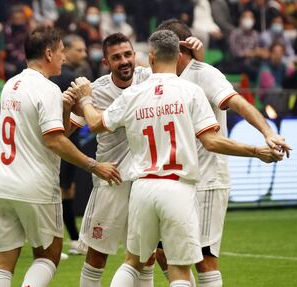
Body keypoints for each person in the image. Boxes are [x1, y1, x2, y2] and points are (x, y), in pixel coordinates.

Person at [70, 29, 284, 287]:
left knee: (133, 261)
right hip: (177, 187)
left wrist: (84, 100)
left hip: (142, 187)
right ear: (180, 56)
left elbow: (94, 123)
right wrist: (256, 151)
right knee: (180, 270)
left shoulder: (135, 93)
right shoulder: (191, 91)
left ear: (149, 58)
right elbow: (211, 141)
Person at [155, 19, 291, 287]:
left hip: (208, 179)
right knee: (161, 252)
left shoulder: (205, 73)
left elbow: (239, 103)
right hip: (177, 180)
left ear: (179, 49)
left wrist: (268, 133)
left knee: (204, 259)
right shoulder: (165, 80)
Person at [0, 26, 121, 287]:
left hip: (2, 184)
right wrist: (94, 165)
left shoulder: (10, 85)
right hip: (34, 186)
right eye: (61, 52)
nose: (64, 57)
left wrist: (66, 107)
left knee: (3, 262)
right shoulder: (46, 89)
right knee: (49, 256)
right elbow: (53, 140)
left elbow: (49, 133)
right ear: (48, 53)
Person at [68, 32, 205, 287]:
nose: (124, 61)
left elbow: (178, 69)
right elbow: (64, 132)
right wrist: (70, 107)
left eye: (128, 54)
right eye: (116, 57)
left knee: (147, 256)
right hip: (112, 180)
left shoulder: (147, 78)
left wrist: (197, 52)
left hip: (143, 180)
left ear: (138, 56)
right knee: (97, 255)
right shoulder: (96, 90)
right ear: (107, 62)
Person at [50, 34, 89, 258]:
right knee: (60, 190)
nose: (83, 55)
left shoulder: (70, 75)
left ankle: (73, 238)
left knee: (66, 190)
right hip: (62, 137)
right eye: (79, 50)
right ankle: (62, 239)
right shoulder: (68, 78)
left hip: (66, 137)